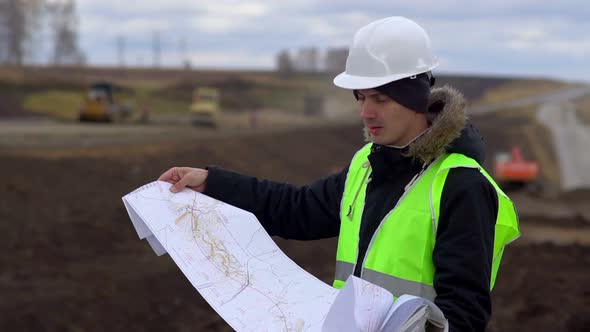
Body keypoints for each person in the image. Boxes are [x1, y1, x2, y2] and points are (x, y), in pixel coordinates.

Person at [158, 16, 520, 331]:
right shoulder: (367, 165)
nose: (366, 112)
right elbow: (297, 210)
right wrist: (212, 181)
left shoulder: (461, 184)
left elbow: (466, 315)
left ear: (415, 97)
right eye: (360, 98)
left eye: (380, 99)